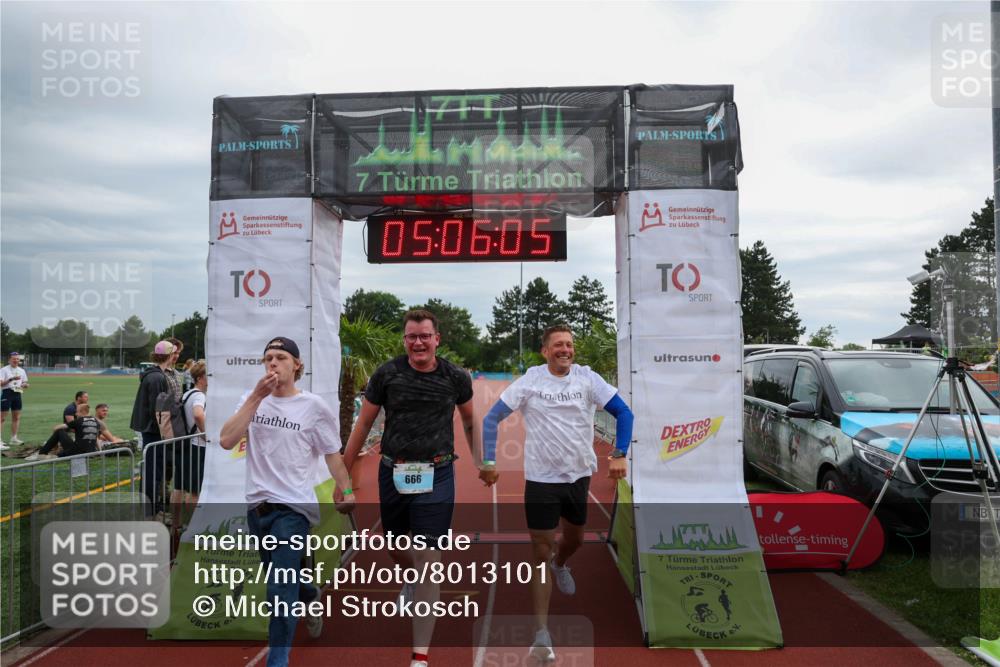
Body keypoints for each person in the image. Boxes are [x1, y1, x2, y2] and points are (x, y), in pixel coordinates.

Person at [481, 324, 634, 662]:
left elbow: (624, 412)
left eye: (569, 344)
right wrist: (489, 460)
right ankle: (541, 633)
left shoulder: (587, 378)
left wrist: (620, 453)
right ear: (545, 351)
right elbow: (492, 418)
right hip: (540, 480)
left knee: (575, 540)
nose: (565, 349)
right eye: (558, 345)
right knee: (539, 549)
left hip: (578, 476)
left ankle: (561, 563)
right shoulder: (532, 380)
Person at [342, 309, 475, 667]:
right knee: (396, 545)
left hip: (439, 471)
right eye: (412, 336)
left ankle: (419, 657)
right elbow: (363, 423)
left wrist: (484, 462)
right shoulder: (388, 374)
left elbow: (470, 422)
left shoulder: (455, 377)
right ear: (405, 340)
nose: (418, 342)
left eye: (425, 336)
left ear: (437, 339)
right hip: (394, 471)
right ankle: (411, 580)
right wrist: (343, 475)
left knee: (429, 558)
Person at [220, 336, 355, 667]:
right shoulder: (252, 400)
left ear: (297, 365)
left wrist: (347, 490)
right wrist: (256, 396)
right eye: (267, 358)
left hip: (293, 510)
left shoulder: (313, 407)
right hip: (258, 507)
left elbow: (332, 455)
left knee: (279, 590)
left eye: (280, 357)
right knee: (285, 580)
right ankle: (310, 595)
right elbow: (226, 440)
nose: (272, 363)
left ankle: (278, 660)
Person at [130, 340, 182, 515]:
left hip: (153, 430)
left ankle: (153, 506)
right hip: (154, 431)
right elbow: (158, 410)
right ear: (168, 355)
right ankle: (151, 509)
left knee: (155, 469)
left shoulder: (154, 375)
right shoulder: (157, 377)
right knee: (153, 471)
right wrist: (167, 434)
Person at [171, 360, 207, 538]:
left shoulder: (188, 393)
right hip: (196, 446)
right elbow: (198, 414)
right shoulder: (200, 395)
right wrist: (206, 434)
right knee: (194, 490)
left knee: (179, 487)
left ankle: (176, 525)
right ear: (201, 378)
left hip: (183, 444)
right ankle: (192, 528)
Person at [32, 391, 92, 458]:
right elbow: (73, 428)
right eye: (85, 397)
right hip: (71, 433)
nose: (87, 399)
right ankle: (54, 446)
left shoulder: (84, 409)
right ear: (79, 398)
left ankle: (45, 451)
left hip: (79, 440)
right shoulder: (70, 409)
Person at [1, 352, 29, 448]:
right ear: (9, 360)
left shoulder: (21, 370)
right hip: (7, 393)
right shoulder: (4, 370)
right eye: (14, 359)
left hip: (17, 393)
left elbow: (25, 382)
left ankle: (14, 438)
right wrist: (11, 379)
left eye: (17, 359)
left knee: (16, 417)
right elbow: (1, 384)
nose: (16, 360)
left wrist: (25, 385)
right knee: (2, 418)